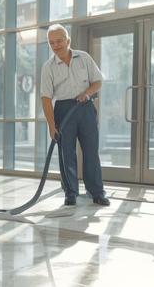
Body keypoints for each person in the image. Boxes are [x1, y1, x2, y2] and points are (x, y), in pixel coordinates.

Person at [39, 23, 110, 207]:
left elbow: (98, 81)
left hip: (85, 107)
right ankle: (70, 192)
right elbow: (46, 98)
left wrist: (87, 93)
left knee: (91, 151)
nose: (56, 46)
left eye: (59, 41)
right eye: (52, 42)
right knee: (66, 153)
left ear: (68, 40)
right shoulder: (48, 67)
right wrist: (51, 124)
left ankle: (96, 192)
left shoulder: (84, 58)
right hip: (63, 110)